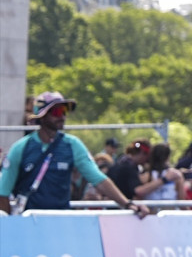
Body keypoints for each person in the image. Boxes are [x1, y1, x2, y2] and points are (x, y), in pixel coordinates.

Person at [0, 91, 150, 217]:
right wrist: (8, 226)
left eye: (64, 111)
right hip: (29, 223)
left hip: (61, 221)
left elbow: (98, 179)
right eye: (57, 112)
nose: (62, 116)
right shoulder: (21, 147)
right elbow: (3, 191)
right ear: (43, 115)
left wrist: (128, 204)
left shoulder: (72, 145)